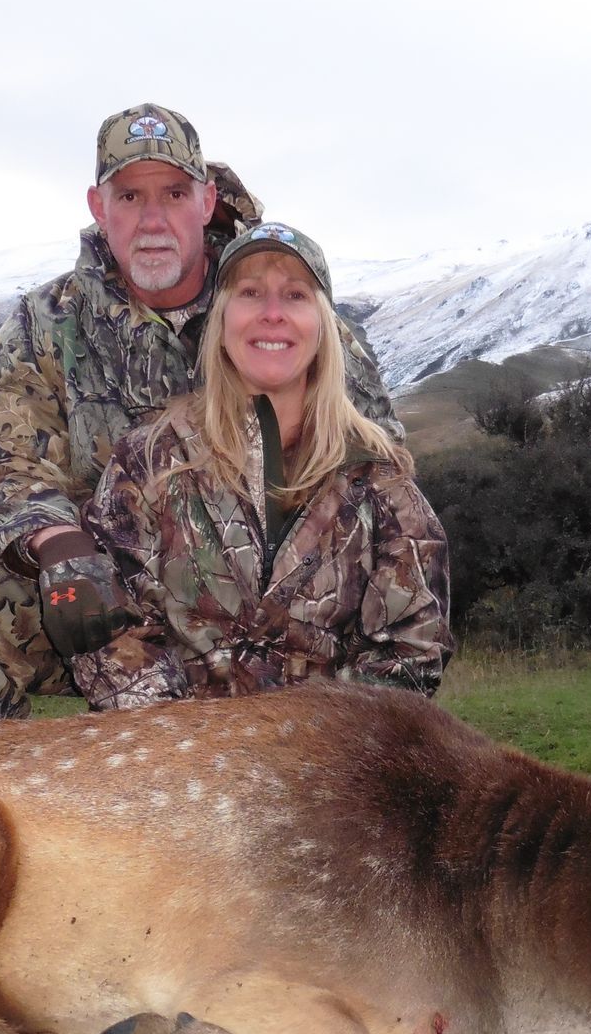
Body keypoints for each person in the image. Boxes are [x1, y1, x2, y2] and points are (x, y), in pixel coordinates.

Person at [0, 104, 398, 743]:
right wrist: (57, 545)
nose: (153, 220)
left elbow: (383, 463)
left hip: (270, 598)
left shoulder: (284, 314)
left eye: (174, 194)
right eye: (130, 196)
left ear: (207, 201)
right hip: (105, 591)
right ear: (99, 207)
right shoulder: (45, 324)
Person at [70, 222, 452, 708]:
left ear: (324, 326)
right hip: (173, 762)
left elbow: (413, 647)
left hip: (322, 767)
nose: (273, 314)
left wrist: (305, 751)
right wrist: (191, 747)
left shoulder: (379, 479)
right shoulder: (146, 462)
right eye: (250, 292)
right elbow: (108, 631)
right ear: (221, 319)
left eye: (295, 295)